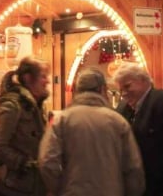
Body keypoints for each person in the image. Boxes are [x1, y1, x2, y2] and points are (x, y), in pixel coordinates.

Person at [38, 68, 144, 196]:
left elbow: (47, 162)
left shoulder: (62, 120)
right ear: (102, 90)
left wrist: (59, 189)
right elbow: (133, 168)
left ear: (77, 91)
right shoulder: (118, 122)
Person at [112, 62, 163, 196]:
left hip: (162, 187)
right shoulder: (123, 108)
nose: (124, 93)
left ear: (143, 80)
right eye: (121, 89)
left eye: (127, 86)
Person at [0, 57, 50, 196]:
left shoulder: (36, 106)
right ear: (28, 78)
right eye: (43, 76)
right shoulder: (12, 105)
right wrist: (25, 164)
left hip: (33, 187)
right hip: (15, 187)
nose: (47, 81)